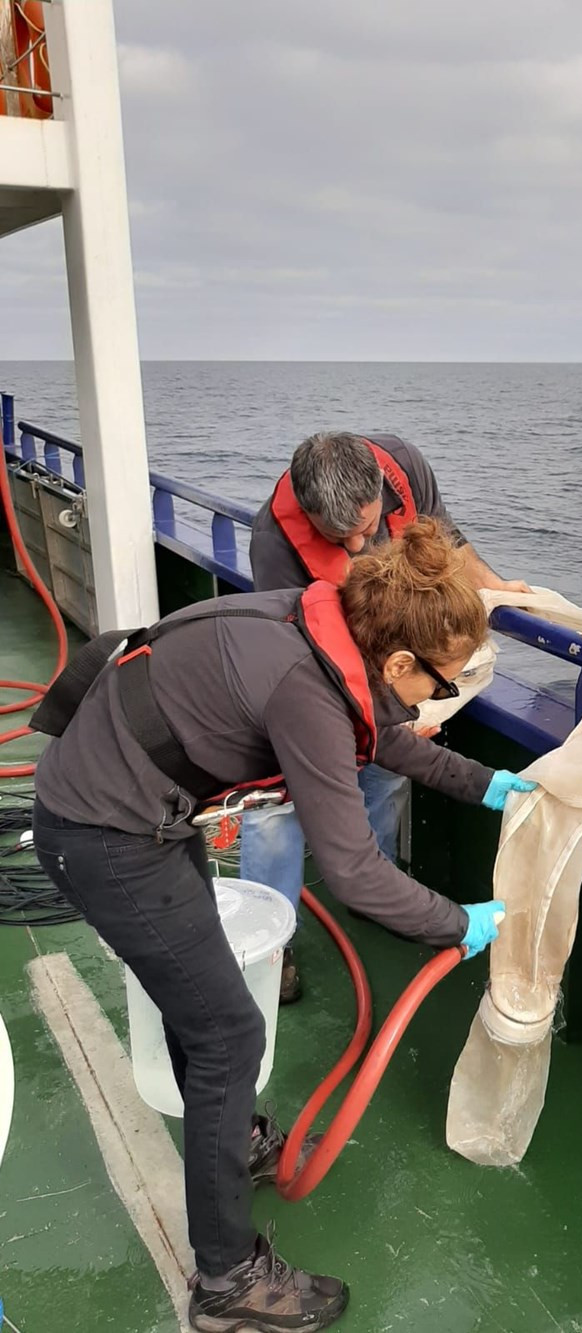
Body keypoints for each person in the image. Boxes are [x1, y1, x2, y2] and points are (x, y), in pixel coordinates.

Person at [31, 519, 535, 1333]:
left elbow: (388, 740)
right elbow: (356, 874)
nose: (443, 698)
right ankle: (227, 1286)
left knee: (207, 1003)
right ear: (400, 661)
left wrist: (485, 785)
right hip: (105, 834)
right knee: (229, 1033)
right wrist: (457, 921)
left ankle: (235, 1141)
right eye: (444, 685)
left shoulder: (332, 624)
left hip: (139, 810)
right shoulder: (309, 691)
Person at [246, 431, 531, 1002]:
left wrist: (497, 588)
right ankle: (267, 947)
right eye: (339, 537)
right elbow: (302, 661)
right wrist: (383, 718)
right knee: (274, 804)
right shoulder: (274, 545)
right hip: (311, 683)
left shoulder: (404, 467)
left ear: (381, 490)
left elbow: (446, 541)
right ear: (306, 513)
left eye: (366, 526)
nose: (357, 546)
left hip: (385, 672)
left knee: (385, 776)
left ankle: (378, 896)